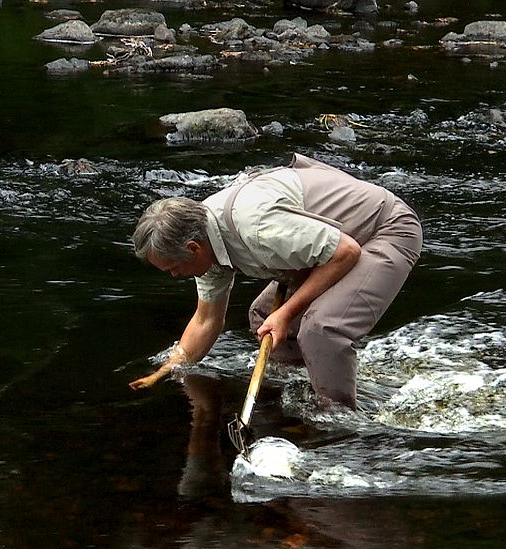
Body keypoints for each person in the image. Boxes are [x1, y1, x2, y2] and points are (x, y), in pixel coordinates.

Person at [128, 153, 423, 410]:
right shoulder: (205, 243)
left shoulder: (257, 228)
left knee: (322, 330)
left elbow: (345, 252)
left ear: (193, 248)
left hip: (383, 230)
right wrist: (166, 371)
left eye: (174, 268)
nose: (174, 276)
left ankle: (336, 422)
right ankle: (307, 386)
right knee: (262, 315)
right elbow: (206, 321)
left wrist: (286, 312)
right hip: (327, 244)